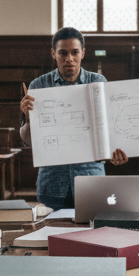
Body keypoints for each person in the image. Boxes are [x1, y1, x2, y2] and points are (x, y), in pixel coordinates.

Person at [18, 27, 128, 210]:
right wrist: (29, 119)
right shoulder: (38, 85)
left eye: (74, 52)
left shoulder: (98, 82)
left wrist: (116, 152)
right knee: (51, 235)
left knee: (92, 235)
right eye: (63, 53)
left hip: (91, 177)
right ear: (54, 53)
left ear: (83, 53)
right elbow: (28, 141)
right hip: (52, 181)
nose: (69, 58)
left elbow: (110, 130)